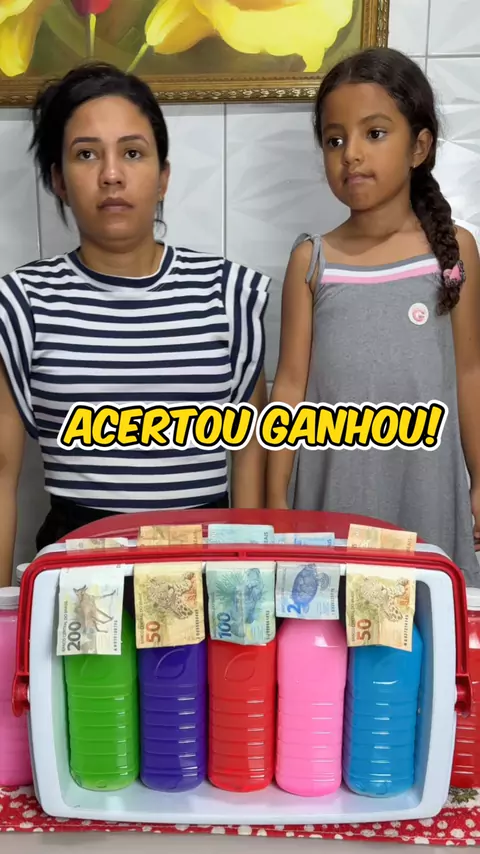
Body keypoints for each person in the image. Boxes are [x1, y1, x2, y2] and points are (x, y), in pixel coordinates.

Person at [0, 62, 270, 587]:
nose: (111, 175)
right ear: (58, 179)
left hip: (205, 574)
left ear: (163, 175)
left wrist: (247, 584)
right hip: (76, 582)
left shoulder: (229, 294)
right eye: (86, 154)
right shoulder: (22, 303)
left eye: (132, 152)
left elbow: (251, 457)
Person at [267, 47, 480, 584]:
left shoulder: (455, 253)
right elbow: (289, 386)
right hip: (330, 501)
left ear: (419, 147)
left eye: (375, 133)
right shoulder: (311, 261)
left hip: (425, 493)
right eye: (335, 140)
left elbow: (469, 374)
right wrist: (275, 502)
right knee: (326, 627)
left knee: (426, 624)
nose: (351, 154)